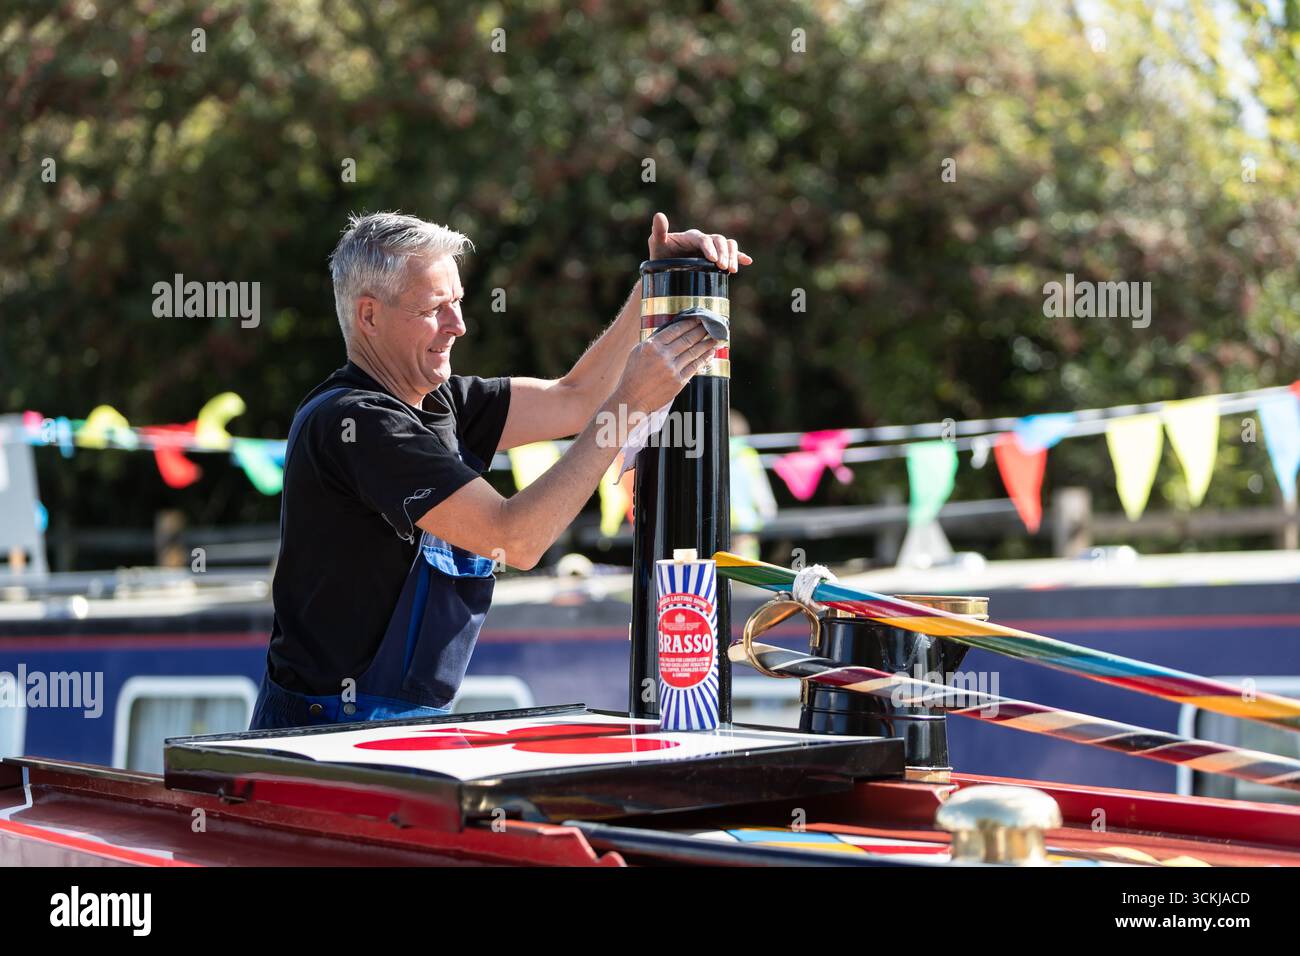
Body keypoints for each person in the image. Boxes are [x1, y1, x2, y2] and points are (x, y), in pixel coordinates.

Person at [249, 210, 752, 729]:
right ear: (369, 316)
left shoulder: (442, 402)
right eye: (433, 308)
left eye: (458, 302)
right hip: (322, 734)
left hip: (397, 725)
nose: (458, 325)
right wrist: (628, 406)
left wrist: (655, 283)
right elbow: (515, 539)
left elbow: (575, 399)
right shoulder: (357, 423)